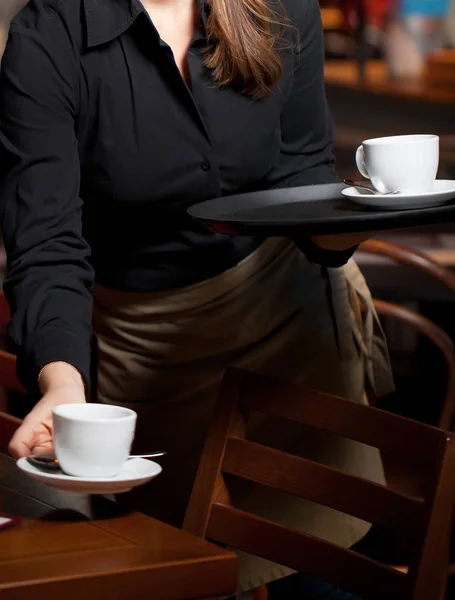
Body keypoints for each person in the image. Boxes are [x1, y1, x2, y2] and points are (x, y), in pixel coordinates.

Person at [0, 0, 393, 596]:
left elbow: (301, 171)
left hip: (285, 318)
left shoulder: (282, 7)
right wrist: (62, 383)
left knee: (320, 571)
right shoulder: (49, 34)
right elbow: (47, 242)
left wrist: (339, 227)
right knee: (181, 571)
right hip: (147, 341)